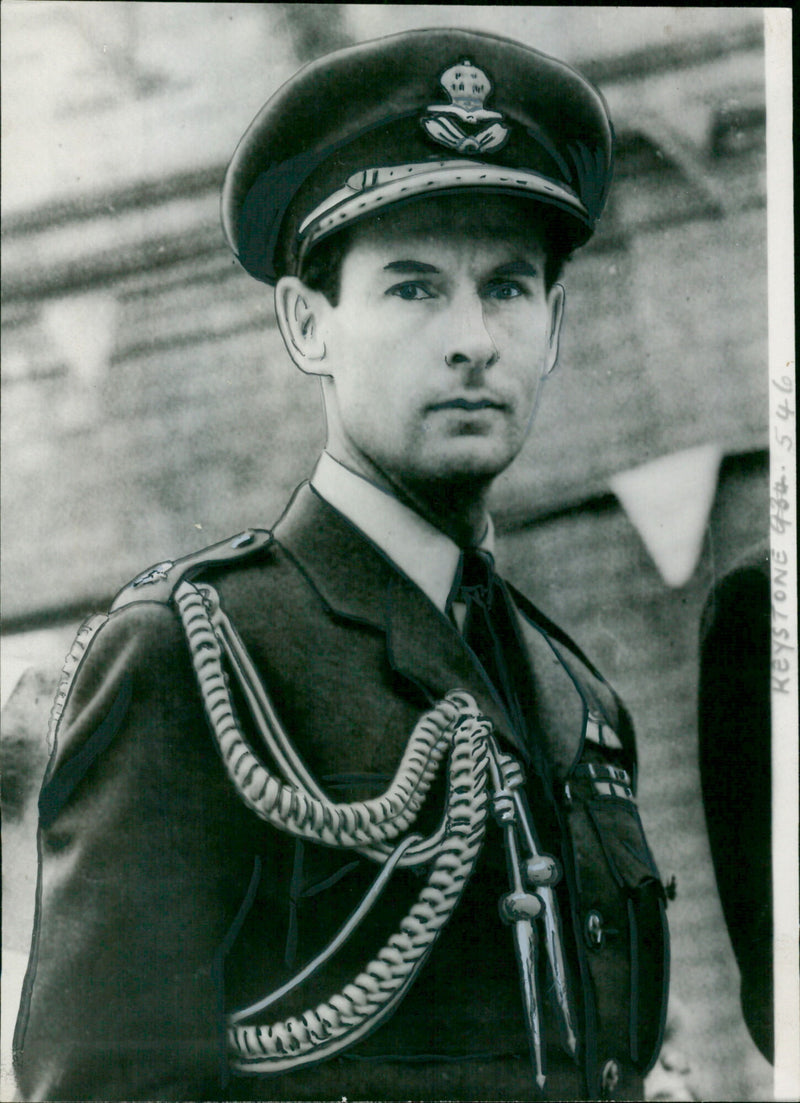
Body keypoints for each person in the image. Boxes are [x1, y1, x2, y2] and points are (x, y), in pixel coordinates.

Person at [13, 28, 669, 1102]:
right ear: (307, 324)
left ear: (551, 326)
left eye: (505, 289)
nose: (471, 339)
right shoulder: (193, 653)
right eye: (412, 289)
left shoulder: (574, 690)